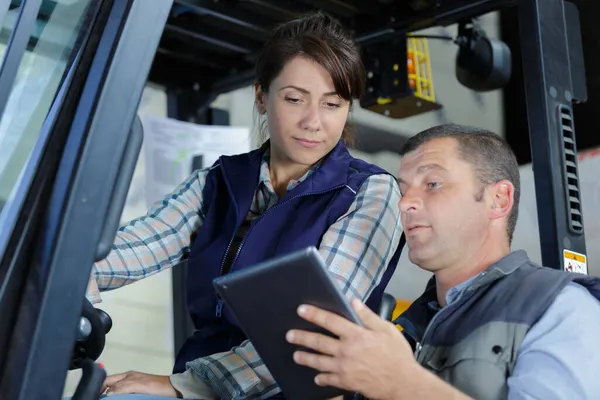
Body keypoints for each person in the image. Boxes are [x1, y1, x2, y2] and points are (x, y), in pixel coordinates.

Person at [83, 11, 404, 400]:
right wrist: (54, 273)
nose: (313, 121)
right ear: (262, 97)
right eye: (294, 99)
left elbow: (309, 336)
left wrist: (183, 384)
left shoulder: (370, 193)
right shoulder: (220, 181)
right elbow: (139, 245)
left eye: (332, 104)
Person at [286, 124, 600, 400]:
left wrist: (403, 384)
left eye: (433, 184)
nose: (405, 202)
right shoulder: (402, 328)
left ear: (498, 200)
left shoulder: (561, 308)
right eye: (404, 189)